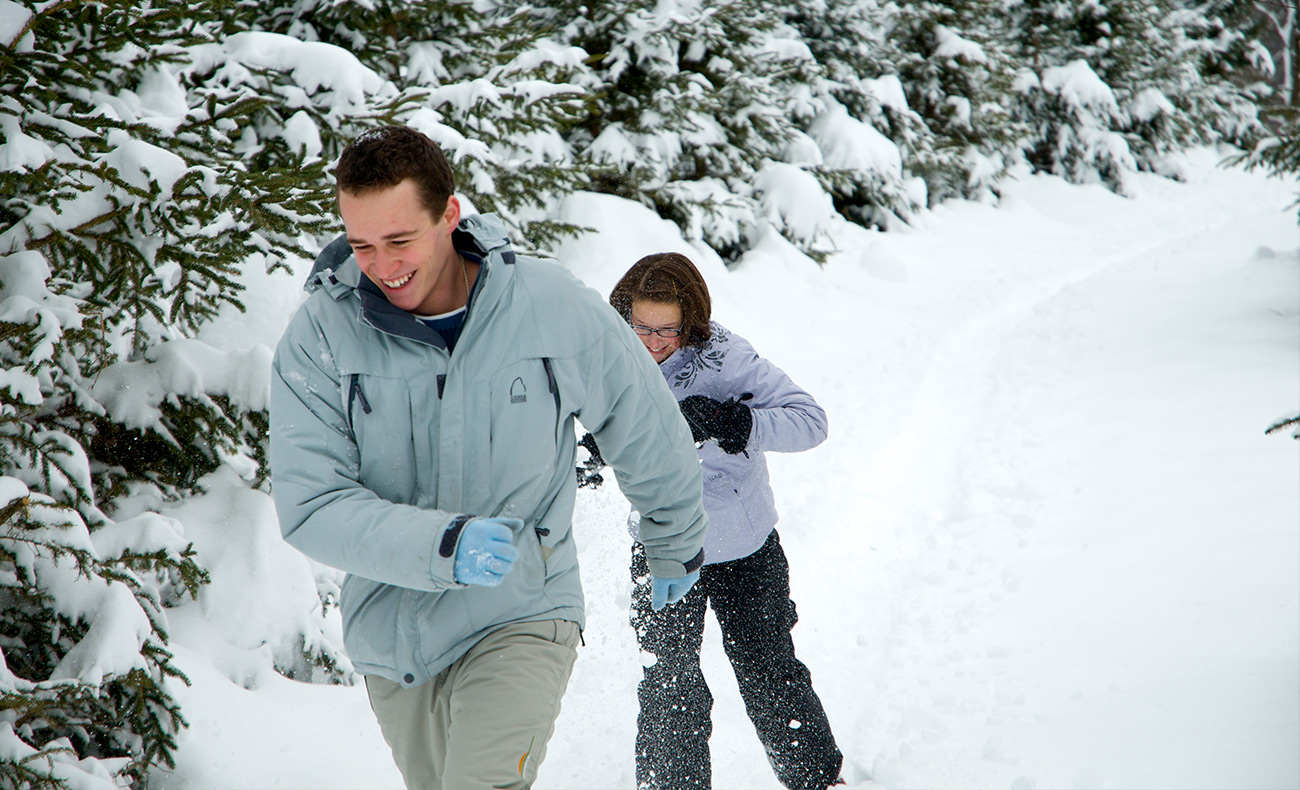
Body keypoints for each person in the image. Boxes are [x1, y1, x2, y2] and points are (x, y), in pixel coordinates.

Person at [268, 126, 707, 789]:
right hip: (396, 635)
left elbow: (640, 418)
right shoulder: (321, 335)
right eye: (361, 245)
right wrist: (441, 543)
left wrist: (673, 534)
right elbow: (311, 506)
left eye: (400, 241)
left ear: (449, 214)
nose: (382, 266)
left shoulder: (546, 304)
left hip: (523, 611)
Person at [609, 252, 844, 790]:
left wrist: (734, 421)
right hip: (663, 547)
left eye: (667, 330)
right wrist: (592, 449)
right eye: (640, 326)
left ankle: (817, 780)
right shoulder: (610, 355)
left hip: (744, 544)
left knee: (767, 666)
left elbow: (812, 422)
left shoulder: (726, 358)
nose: (652, 341)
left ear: (691, 322)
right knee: (669, 682)